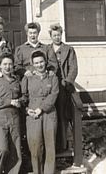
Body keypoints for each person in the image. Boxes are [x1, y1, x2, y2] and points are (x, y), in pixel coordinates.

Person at [21, 50, 59, 174]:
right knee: (35, 146)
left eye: (41, 62)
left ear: (45, 62)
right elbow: (23, 96)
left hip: (49, 113)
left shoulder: (53, 77)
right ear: (32, 64)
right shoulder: (28, 78)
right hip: (33, 115)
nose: (39, 65)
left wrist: (41, 108)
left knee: (50, 145)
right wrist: (27, 109)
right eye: (36, 63)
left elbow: (54, 95)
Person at [48, 24, 78, 152]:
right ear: (51, 36)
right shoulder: (47, 49)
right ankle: (52, 145)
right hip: (51, 86)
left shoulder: (69, 49)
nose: (57, 37)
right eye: (54, 35)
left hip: (63, 87)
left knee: (63, 115)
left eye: (59, 35)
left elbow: (73, 68)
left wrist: (67, 81)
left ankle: (64, 144)